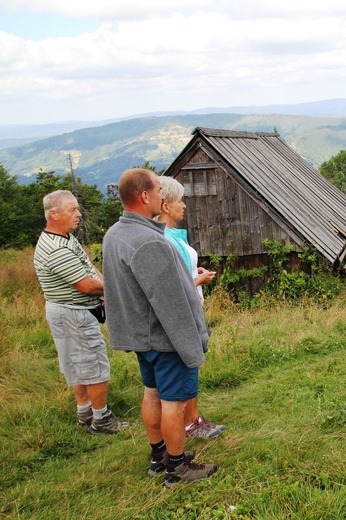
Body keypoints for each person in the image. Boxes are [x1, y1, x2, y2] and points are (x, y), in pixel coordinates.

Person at [102, 168, 218, 487]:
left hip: (141, 335)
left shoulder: (114, 234)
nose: (162, 196)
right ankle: (177, 468)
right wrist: (194, 342)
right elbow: (173, 303)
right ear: (144, 196)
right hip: (165, 338)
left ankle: (159, 458)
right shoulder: (149, 241)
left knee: (152, 394)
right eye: (158, 190)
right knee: (173, 402)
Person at [34, 189, 130, 435]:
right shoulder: (56, 248)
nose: (78, 214)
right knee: (94, 364)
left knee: (75, 363)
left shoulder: (64, 237)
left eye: (77, 208)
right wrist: (116, 287)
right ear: (53, 214)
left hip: (68, 311)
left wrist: (104, 292)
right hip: (73, 314)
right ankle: (101, 420)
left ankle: (84, 412)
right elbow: (85, 285)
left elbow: (89, 270)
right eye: (72, 210)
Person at [157, 175, 227, 438]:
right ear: (166, 206)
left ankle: (193, 417)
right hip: (183, 310)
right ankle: (190, 422)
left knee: (192, 361)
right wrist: (199, 279)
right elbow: (169, 285)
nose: (184, 205)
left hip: (191, 304)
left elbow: (178, 272)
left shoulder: (174, 235)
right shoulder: (164, 238)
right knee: (188, 363)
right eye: (179, 200)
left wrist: (192, 271)